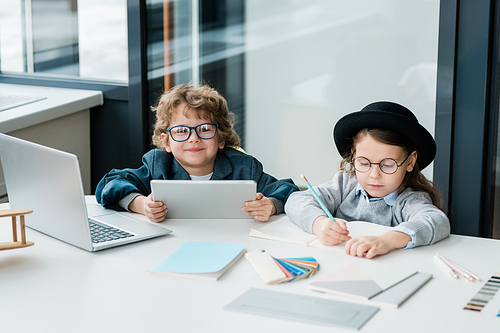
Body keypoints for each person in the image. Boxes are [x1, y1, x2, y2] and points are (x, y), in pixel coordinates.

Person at [96, 84, 299, 222]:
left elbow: (288, 189)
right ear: (166, 141)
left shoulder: (243, 168)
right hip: (170, 245)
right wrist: (140, 204)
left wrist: (271, 205)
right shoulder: (158, 166)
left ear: (221, 139)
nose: (193, 138)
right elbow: (108, 183)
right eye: (182, 131)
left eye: (204, 129)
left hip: (232, 244)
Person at [285, 101, 450, 259]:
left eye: (387, 164)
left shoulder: (408, 200)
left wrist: (387, 240)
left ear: (410, 162)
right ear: (353, 155)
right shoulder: (344, 184)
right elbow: (296, 201)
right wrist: (319, 224)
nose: (374, 174)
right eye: (364, 163)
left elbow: (437, 221)